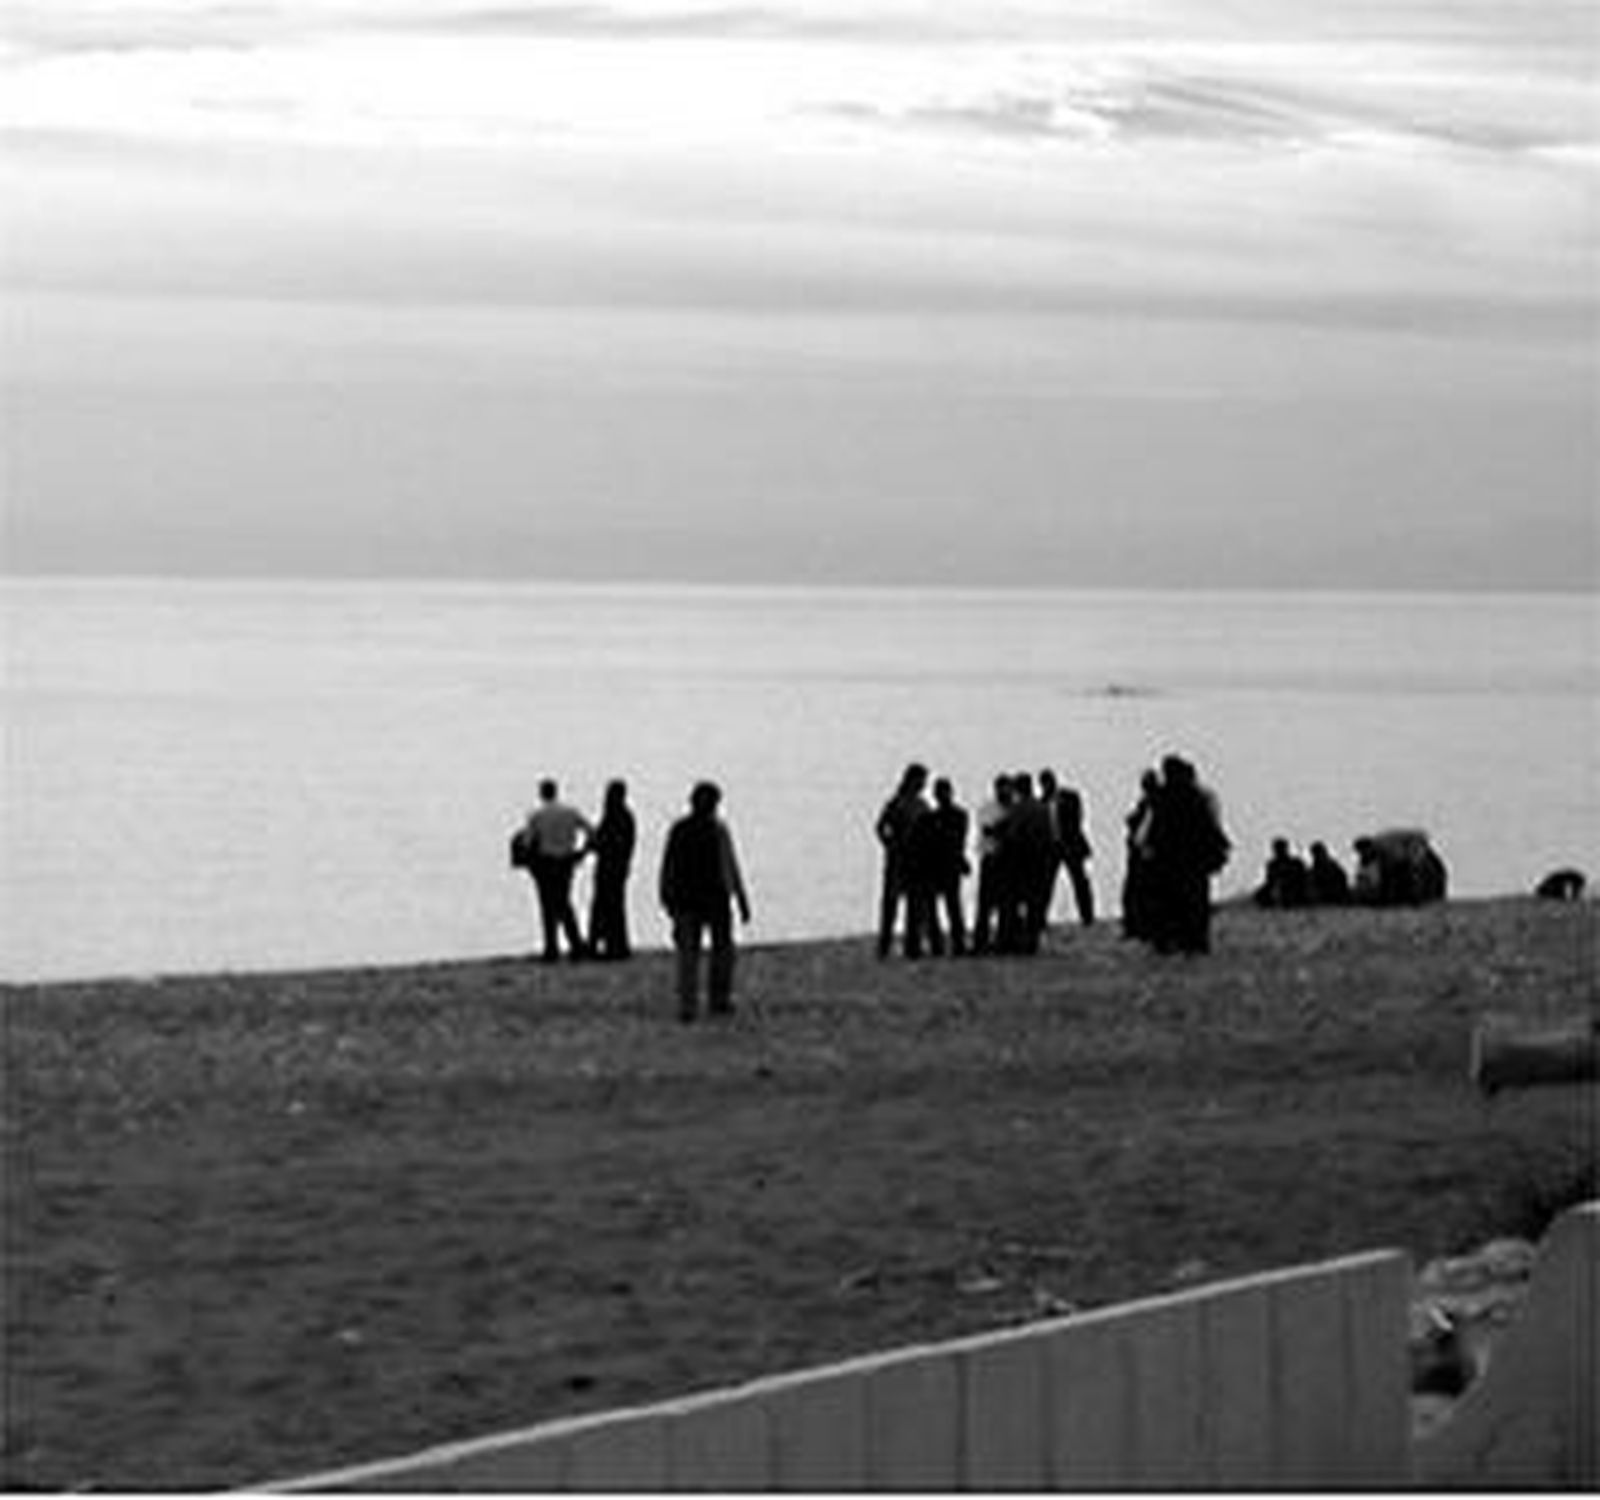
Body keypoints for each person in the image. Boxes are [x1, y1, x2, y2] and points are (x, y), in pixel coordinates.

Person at [659, 781, 752, 1022]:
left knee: (688, 955)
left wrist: (666, 895)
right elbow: (729, 864)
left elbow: (668, 865)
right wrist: (741, 897)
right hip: (714, 898)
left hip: (687, 899)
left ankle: (688, 1005)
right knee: (721, 951)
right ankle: (718, 999)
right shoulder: (717, 829)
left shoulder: (679, 829)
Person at [1145, 755, 1230, 954]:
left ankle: (1170, 941)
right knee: (1195, 901)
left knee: (1169, 902)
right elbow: (1210, 826)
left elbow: (1154, 829)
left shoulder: (1163, 798)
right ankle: (1195, 941)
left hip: (1170, 859)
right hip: (1194, 859)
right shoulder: (1197, 796)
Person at [517, 778, 593, 963]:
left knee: (548, 906)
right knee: (564, 903)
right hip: (567, 862)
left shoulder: (536, 816)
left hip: (546, 863)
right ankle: (575, 944)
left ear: (542, 793)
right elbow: (591, 831)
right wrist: (582, 852)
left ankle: (552, 947)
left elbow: (527, 842)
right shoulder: (571, 812)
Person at [874, 763, 931, 959]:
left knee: (915, 904)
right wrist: (890, 844)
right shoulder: (896, 803)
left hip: (917, 860)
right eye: (921, 780)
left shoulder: (922, 804)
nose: (923, 784)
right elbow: (881, 827)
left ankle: (912, 945)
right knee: (891, 903)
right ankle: (885, 944)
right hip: (898, 859)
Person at [919, 776, 971, 957]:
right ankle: (943, 944)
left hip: (945, 865)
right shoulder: (951, 816)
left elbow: (957, 841)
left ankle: (952, 943)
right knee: (942, 907)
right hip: (940, 866)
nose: (942, 796)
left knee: (951, 906)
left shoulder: (938, 818)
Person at [587, 779, 637, 960]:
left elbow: (603, 841)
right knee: (614, 906)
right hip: (619, 867)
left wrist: (591, 845)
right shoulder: (625, 816)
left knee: (604, 906)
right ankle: (615, 944)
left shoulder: (614, 816)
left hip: (609, 867)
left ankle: (605, 944)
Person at [972, 774, 1015, 955]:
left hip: (1008, 861)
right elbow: (988, 829)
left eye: (1008, 788)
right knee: (985, 903)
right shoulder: (989, 808)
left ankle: (1004, 940)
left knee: (1007, 903)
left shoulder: (1015, 807)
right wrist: (1007, 826)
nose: (1005, 791)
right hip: (990, 858)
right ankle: (980, 941)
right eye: (1002, 787)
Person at [1048, 770, 1096, 928]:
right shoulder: (1044, 801)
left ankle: (1087, 915)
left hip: (1070, 844)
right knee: (1047, 883)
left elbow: (1077, 818)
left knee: (1079, 881)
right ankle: (1041, 917)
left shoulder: (1069, 796)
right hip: (1054, 846)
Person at [1120, 768, 1160, 940]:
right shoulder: (1147, 802)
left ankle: (1140, 929)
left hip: (1146, 855)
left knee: (1139, 894)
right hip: (1139, 852)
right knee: (1134, 895)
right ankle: (1136, 928)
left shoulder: (1155, 802)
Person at [1254, 838, 1310, 909]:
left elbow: (1302, 877)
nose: (1279, 851)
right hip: (1278, 886)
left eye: (1281, 848)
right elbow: (1270, 880)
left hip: (1295, 887)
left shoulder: (1296, 862)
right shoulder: (1272, 864)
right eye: (1277, 849)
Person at [1307, 841, 1351, 905]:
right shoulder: (1315, 868)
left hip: (1333, 896)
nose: (1319, 856)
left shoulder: (1333, 867)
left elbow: (1342, 880)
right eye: (1317, 853)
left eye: (1320, 853)